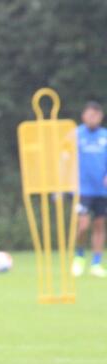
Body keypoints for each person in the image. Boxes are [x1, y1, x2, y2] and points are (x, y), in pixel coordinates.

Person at [72, 101, 107, 278]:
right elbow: (65, 158)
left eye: (96, 115)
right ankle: (78, 257)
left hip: (101, 191)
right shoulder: (76, 135)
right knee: (83, 226)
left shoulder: (105, 136)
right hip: (82, 190)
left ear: (101, 117)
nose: (92, 118)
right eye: (89, 114)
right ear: (83, 116)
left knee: (99, 226)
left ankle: (96, 263)